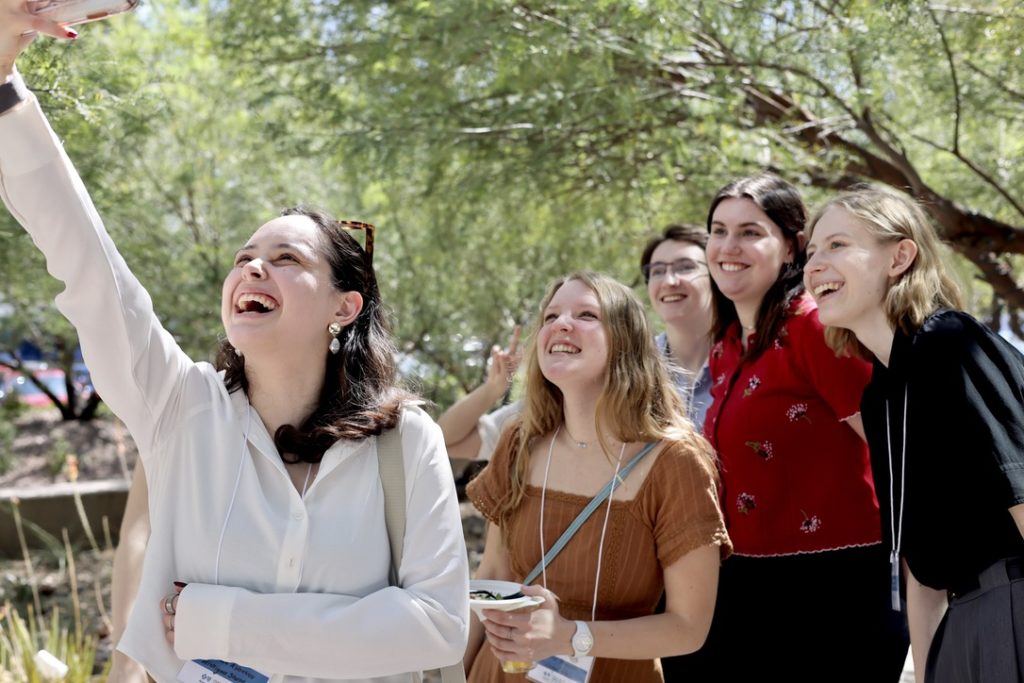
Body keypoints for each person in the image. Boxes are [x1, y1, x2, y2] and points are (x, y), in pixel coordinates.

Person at [0, 13, 468, 683]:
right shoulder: (179, 406)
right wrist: (4, 87)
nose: (253, 268)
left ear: (344, 306)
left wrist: (219, 623)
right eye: (245, 257)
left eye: (285, 258)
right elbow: (91, 265)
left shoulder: (406, 442)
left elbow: (437, 624)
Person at [463, 271, 731, 682]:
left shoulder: (677, 461)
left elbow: (688, 628)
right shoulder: (520, 441)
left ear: (626, 341)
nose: (561, 324)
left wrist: (569, 636)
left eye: (587, 314)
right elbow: (493, 574)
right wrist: (454, 673)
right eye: (551, 316)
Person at [804, 186, 1024, 683]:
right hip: (961, 623)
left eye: (837, 245)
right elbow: (920, 569)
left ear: (900, 256)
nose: (814, 265)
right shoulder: (880, 397)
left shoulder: (952, 344)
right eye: (811, 252)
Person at [699, 173, 908, 681]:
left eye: (751, 232)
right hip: (744, 585)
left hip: (836, 591)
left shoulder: (816, 328)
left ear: (792, 248)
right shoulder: (727, 347)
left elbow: (900, 452)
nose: (730, 246)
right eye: (718, 230)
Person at [441, 223, 716, 465]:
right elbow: (448, 439)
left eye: (685, 267)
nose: (669, 280)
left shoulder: (747, 370)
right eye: (656, 271)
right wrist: (493, 389)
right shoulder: (594, 377)